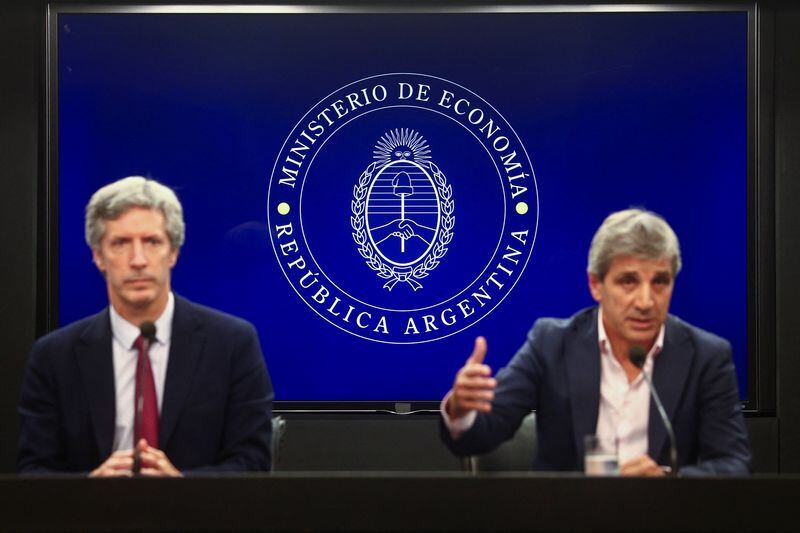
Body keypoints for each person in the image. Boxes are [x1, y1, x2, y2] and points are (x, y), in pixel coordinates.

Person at [441, 208, 751, 476]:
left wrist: (669, 480)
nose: (646, 301)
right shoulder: (551, 343)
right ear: (596, 285)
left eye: (660, 282)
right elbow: (479, 436)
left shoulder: (706, 356)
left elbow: (735, 464)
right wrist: (461, 409)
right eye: (628, 281)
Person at [18, 177, 273, 476]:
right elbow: (33, 471)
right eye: (120, 243)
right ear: (99, 256)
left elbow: (253, 464)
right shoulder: (54, 356)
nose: (138, 260)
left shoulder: (232, 344)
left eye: (152, 242)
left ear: (174, 252)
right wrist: (88, 488)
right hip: (93, 520)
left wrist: (183, 487)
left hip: (198, 520)